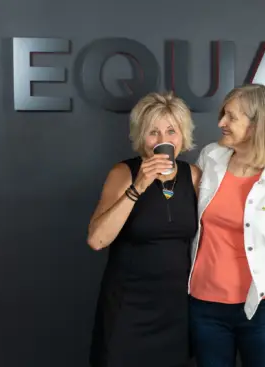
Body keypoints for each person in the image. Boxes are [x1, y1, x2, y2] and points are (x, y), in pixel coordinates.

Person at [189, 84, 265, 367]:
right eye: (222, 115)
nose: (221, 123)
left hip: (261, 309)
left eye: (231, 117)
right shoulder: (210, 157)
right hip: (204, 305)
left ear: (255, 126)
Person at [86, 91, 201, 367]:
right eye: (153, 132)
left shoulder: (194, 176)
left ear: (182, 136)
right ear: (141, 138)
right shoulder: (123, 173)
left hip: (176, 311)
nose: (163, 140)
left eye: (171, 131)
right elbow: (97, 240)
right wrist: (139, 185)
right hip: (128, 309)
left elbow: (216, 233)